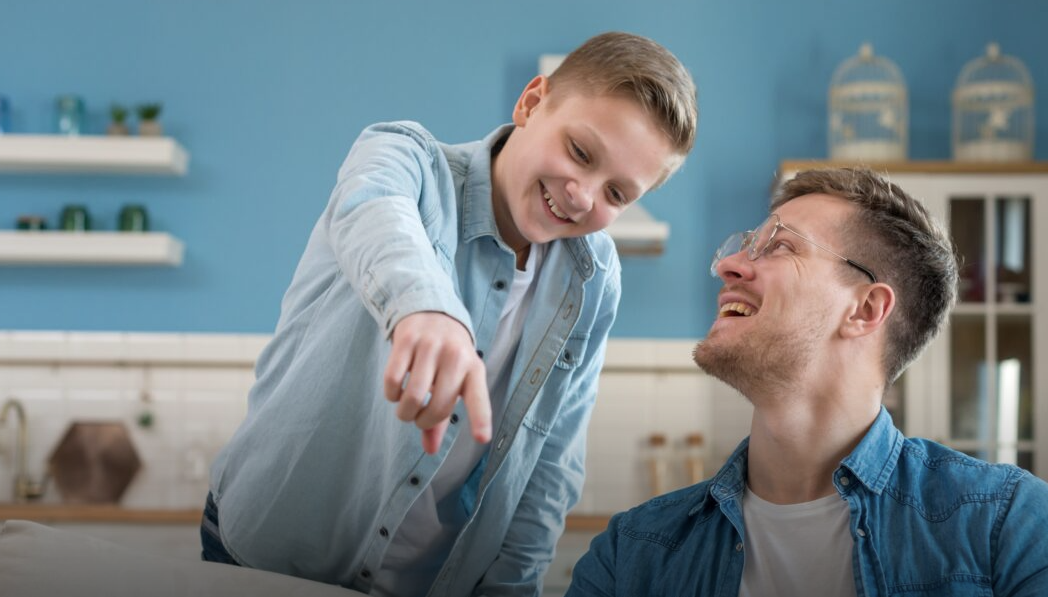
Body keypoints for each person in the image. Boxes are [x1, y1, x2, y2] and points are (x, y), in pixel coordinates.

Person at [201, 31, 698, 597]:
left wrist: (513, 586)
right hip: (268, 562)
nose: (583, 196)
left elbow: (550, 465)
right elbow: (374, 208)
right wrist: (427, 309)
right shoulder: (404, 157)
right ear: (532, 102)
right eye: (581, 153)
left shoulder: (594, 277)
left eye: (616, 194)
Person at [566, 167, 1048, 596]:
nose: (728, 265)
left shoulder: (1005, 527)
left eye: (780, 246)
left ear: (865, 310)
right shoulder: (631, 553)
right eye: (746, 245)